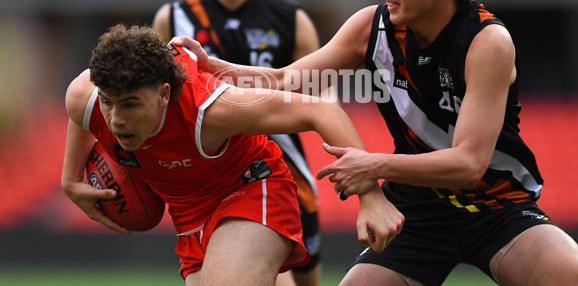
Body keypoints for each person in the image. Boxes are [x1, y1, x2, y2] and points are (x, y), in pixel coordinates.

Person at [174, 0, 578, 286]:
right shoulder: (369, 28)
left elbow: (468, 165)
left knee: (577, 280)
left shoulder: (487, 42)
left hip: (498, 207)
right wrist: (223, 69)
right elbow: (288, 80)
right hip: (416, 212)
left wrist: (373, 164)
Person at [61, 25, 403, 286]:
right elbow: (83, 114)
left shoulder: (212, 109)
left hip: (250, 186)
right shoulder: (83, 97)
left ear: (164, 94)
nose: (117, 120)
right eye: (108, 102)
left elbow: (321, 112)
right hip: (190, 216)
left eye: (131, 104)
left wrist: (370, 196)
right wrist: (70, 179)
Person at [152, 0, 324, 285]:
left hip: (285, 173)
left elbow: (317, 97)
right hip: (210, 180)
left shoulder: (291, 19)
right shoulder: (173, 18)